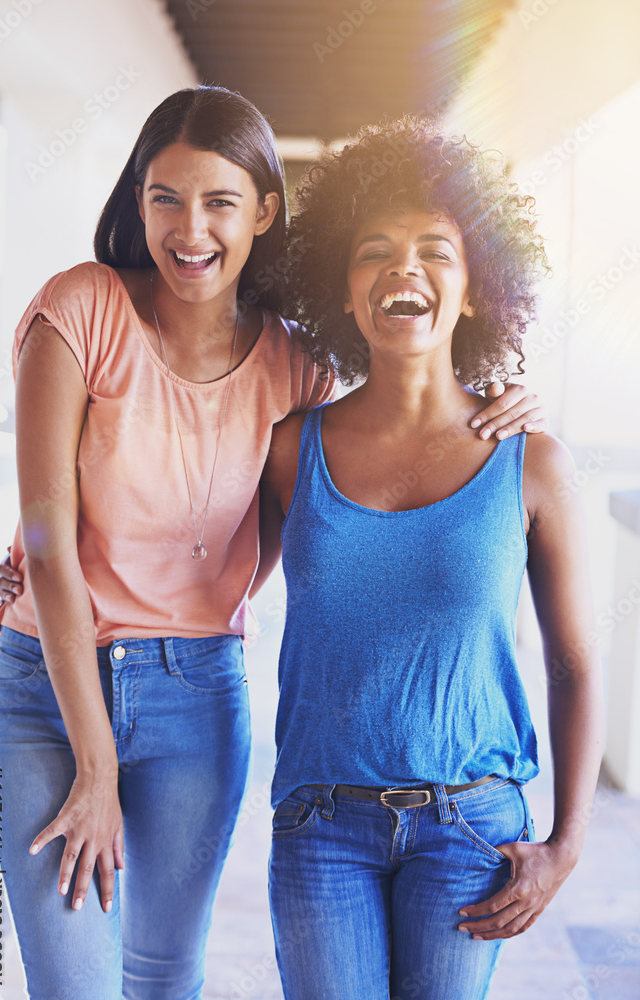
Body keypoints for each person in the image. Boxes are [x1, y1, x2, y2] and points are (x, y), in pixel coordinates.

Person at [0, 89, 544, 1000]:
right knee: (71, 986)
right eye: (165, 197)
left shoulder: (295, 363)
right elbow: (47, 543)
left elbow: (401, 392)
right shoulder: (79, 309)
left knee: (164, 974)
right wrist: (92, 765)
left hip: (196, 692)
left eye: (219, 202)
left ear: (264, 213)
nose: (189, 228)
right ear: (138, 202)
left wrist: (505, 396)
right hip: (47, 687)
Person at [259, 117, 603, 1000]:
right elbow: (198, 568)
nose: (402, 268)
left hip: (471, 829)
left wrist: (566, 844)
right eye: (374, 251)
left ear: (476, 288)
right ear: (344, 288)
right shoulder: (291, 448)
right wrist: (41, 564)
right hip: (319, 824)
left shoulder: (534, 464)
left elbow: (572, 662)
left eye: (434, 251)